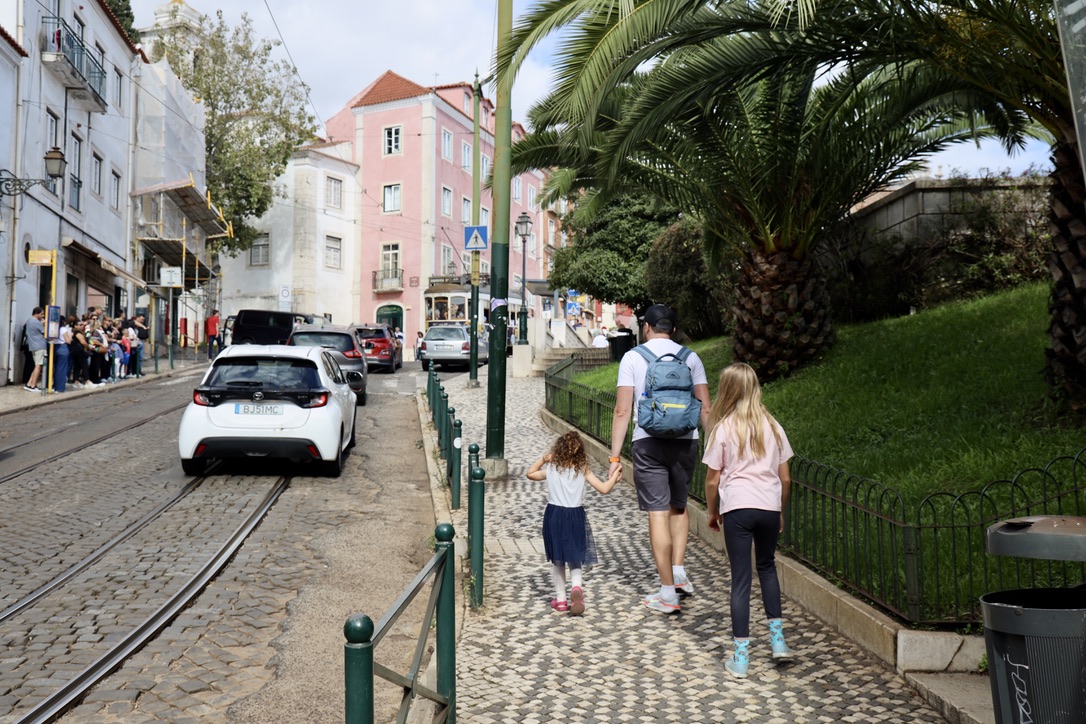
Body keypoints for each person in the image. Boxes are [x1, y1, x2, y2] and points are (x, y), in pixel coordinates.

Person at [608, 303, 711, 615]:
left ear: (647, 328)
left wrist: (614, 456)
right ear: (674, 330)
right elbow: (705, 407)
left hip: (648, 442)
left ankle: (667, 593)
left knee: (657, 513)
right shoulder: (690, 357)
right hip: (685, 442)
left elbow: (623, 410)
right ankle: (678, 572)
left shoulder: (633, 357)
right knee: (679, 507)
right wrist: (719, 449)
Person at [702, 362, 795, 678]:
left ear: (727, 391)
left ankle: (741, 660)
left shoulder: (724, 429)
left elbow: (712, 481)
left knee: (741, 579)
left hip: (738, 509)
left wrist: (713, 512)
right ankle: (778, 643)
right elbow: (786, 478)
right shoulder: (773, 425)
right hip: (768, 506)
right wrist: (780, 511)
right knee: (767, 568)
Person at [527, 431, 623, 615]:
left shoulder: (552, 469)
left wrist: (543, 459)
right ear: (580, 452)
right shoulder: (582, 469)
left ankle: (561, 600)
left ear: (558, 450)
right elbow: (603, 489)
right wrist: (615, 477)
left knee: (558, 560)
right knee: (575, 556)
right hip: (575, 515)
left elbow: (530, 474)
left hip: (554, 515)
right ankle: (577, 587)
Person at [24, 307, 46, 392]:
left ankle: (29, 383)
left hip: (33, 346)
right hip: (39, 346)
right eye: (41, 314)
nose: (42, 316)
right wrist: (44, 324)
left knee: (36, 365)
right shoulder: (36, 322)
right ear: (36, 313)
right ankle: (33, 385)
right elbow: (45, 332)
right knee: (38, 366)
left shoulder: (29, 321)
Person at [51, 316, 72, 392]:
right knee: (62, 369)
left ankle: (54, 385)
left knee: (55, 368)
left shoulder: (53, 329)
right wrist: (71, 336)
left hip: (54, 347)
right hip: (62, 347)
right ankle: (60, 388)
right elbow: (68, 341)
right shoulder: (63, 329)